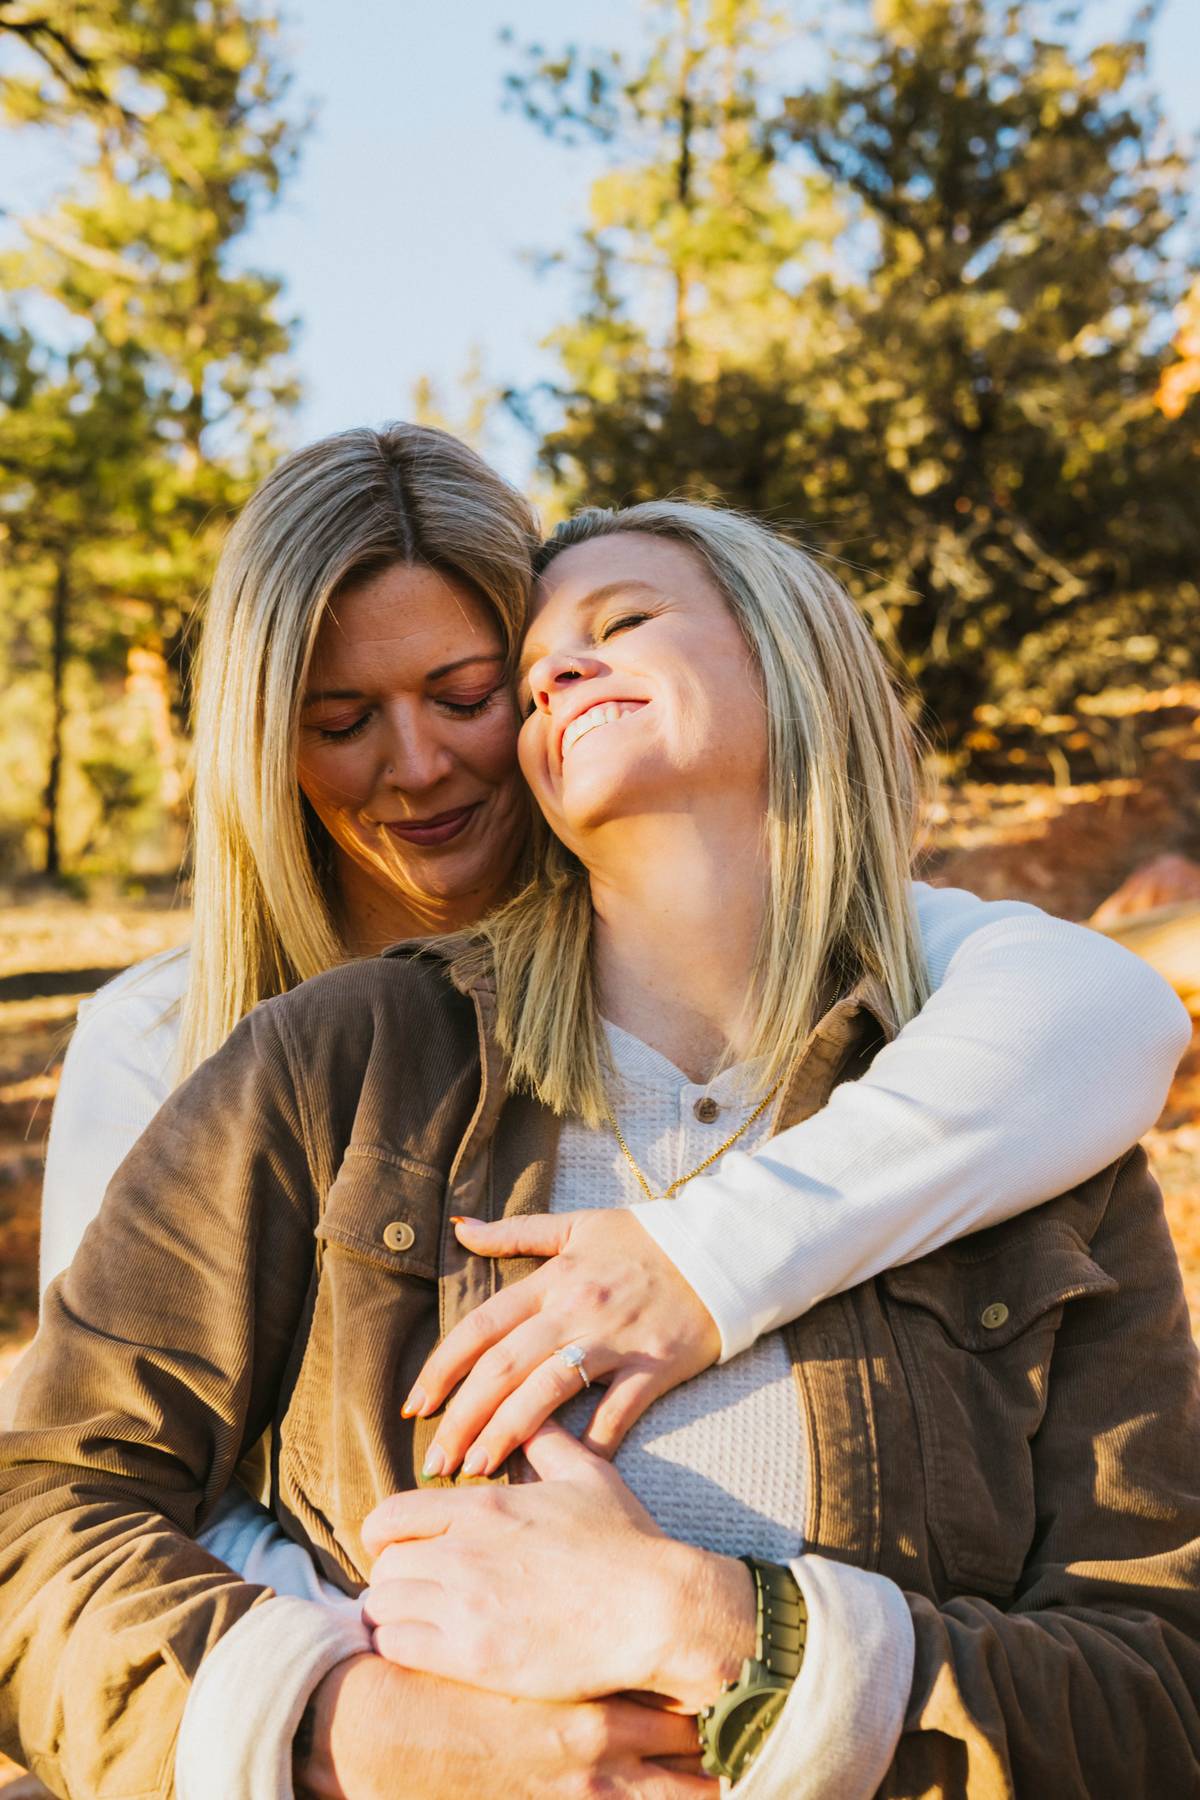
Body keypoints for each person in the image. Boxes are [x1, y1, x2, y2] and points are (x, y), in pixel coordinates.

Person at [1, 497, 1196, 1799]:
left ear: (793, 658)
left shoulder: (1029, 1130)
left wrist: (710, 1628)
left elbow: (1159, 1681)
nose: (559, 669)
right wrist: (352, 1725)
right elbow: (46, 1511)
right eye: (526, 677)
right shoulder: (334, 1062)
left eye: (623, 623)